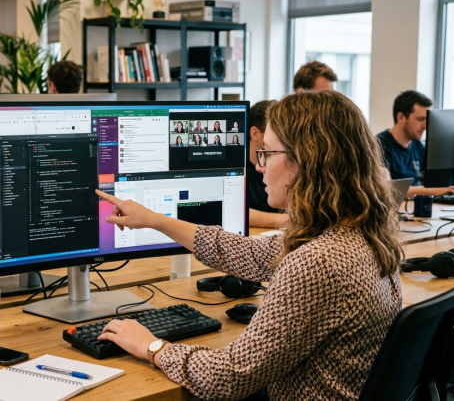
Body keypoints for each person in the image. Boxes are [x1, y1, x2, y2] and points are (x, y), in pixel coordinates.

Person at [94, 90, 402, 401]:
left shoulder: (317, 263)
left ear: (303, 161)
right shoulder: (361, 234)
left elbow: (228, 378)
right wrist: (154, 219)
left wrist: (151, 346)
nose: (259, 166)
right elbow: (248, 253)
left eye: (266, 153)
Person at [377, 90, 454, 198]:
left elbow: (432, 180)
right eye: (420, 119)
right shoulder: (379, 145)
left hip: (414, 207)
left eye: (427, 119)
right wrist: (437, 190)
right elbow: (388, 189)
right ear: (401, 118)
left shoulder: (417, 145)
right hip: (397, 210)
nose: (425, 125)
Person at [247, 100, 288, 228]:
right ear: (255, 133)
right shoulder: (238, 170)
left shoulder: (285, 163)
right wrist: (290, 220)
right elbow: (237, 213)